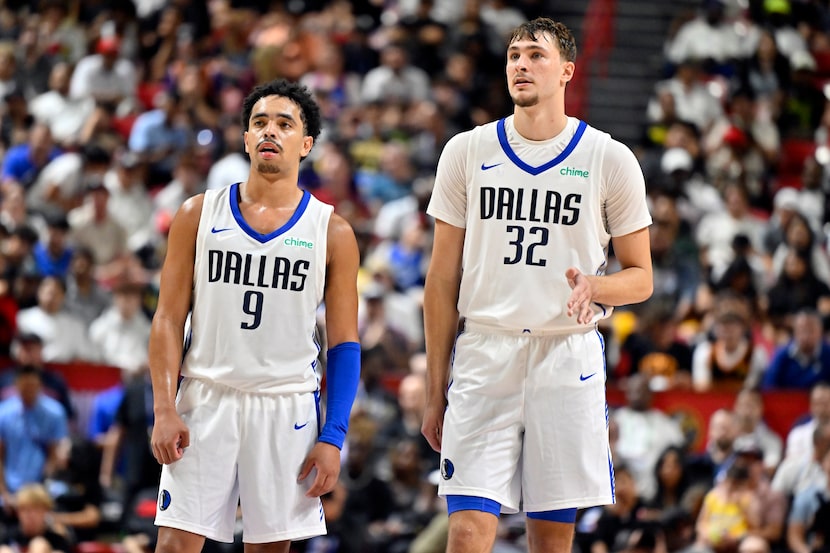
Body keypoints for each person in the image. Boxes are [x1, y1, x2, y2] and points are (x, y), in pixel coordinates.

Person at [420, 17, 653, 553]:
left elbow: (641, 278)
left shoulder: (609, 158)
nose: (521, 64)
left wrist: (596, 287)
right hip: (485, 350)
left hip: (564, 356)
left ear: (568, 70)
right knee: (466, 529)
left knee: (550, 540)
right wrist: (436, 390)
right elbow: (440, 280)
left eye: (535, 55)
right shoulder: (467, 152)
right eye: (513, 56)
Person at [148, 79, 361, 553]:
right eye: (259, 122)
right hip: (205, 399)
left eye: (285, 124)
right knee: (174, 545)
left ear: (306, 144)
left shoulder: (333, 232)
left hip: (286, 405)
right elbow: (166, 319)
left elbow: (344, 344)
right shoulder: (197, 214)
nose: (270, 131)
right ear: (245, 139)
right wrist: (164, 407)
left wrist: (334, 436)